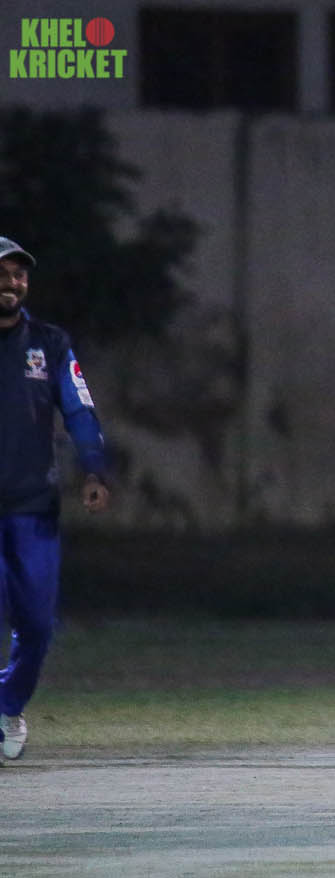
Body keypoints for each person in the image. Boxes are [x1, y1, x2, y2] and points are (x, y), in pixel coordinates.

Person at [0, 236, 111, 761]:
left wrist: (94, 469)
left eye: (19, 274)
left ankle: (7, 705)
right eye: (3, 273)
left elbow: (79, 409)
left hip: (33, 508)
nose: (12, 282)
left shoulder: (49, 343)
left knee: (38, 625)